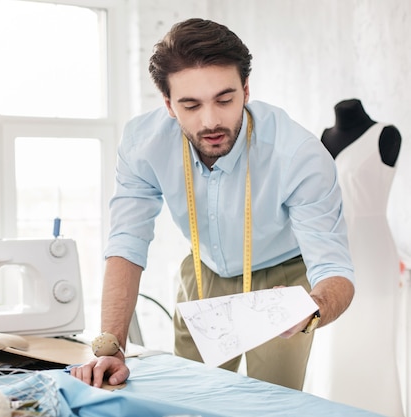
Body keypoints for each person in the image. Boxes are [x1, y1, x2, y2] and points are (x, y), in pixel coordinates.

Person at [70, 18, 355, 391]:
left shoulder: (299, 155)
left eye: (225, 99)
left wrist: (312, 307)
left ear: (246, 89)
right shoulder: (144, 144)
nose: (211, 121)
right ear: (169, 104)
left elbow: (334, 268)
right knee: (193, 397)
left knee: (270, 403)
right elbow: (127, 242)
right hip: (203, 271)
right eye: (191, 105)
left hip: (281, 279)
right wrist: (109, 346)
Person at [308, 99, 404, 415]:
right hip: (329, 248)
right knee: (331, 343)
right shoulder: (322, 138)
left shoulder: (386, 135)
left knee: (372, 338)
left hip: (372, 250)